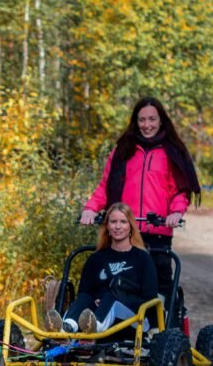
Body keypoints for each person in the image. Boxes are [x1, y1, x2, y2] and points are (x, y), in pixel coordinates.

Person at [79, 97, 201, 300]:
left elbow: (180, 191)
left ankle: (159, 328)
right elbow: (105, 186)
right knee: (117, 279)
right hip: (124, 232)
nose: (147, 125)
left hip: (157, 232)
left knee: (159, 285)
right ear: (135, 121)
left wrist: (176, 212)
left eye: (152, 119)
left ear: (161, 120)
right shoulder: (123, 150)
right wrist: (90, 208)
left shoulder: (171, 151)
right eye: (142, 120)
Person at [47, 203, 158, 334]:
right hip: (99, 311)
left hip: (136, 318)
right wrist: (97, 300)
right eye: (113, 222)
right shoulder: (96, 258)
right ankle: (65, 328)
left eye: (123, 222)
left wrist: (110, 299)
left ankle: (96, 327)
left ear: (131, 226)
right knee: (84, 299)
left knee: (111, 298)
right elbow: (85, 293)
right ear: (107, 226)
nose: (117, 226)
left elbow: (150, 299)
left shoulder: (143, 258)